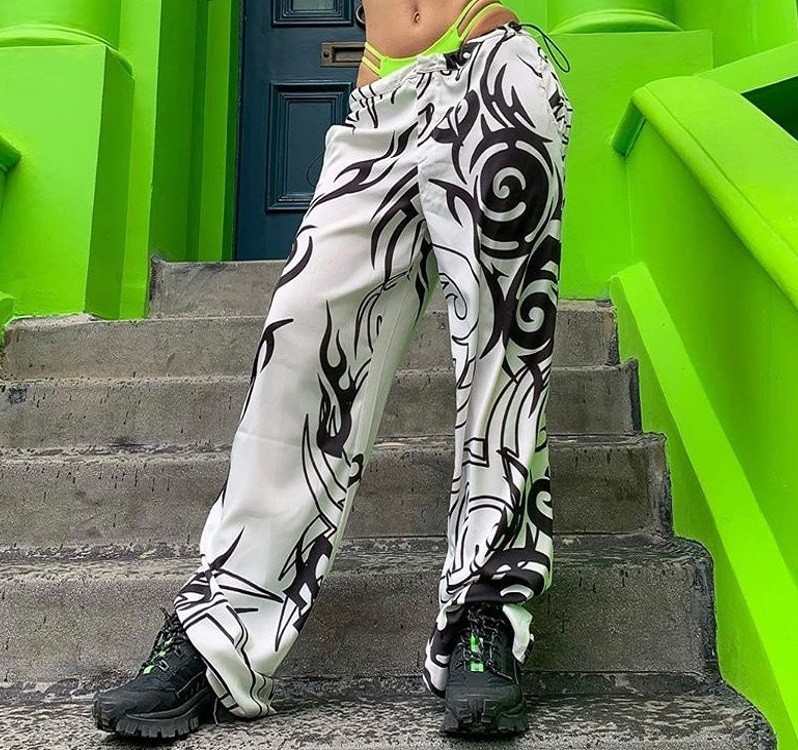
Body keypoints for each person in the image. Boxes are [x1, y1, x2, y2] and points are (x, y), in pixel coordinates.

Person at [93, 0, 573, 739]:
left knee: (501, 356)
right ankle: (221, 632)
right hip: (382, 91)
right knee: (302, 333)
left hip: (494, 73)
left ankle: (487, 613)